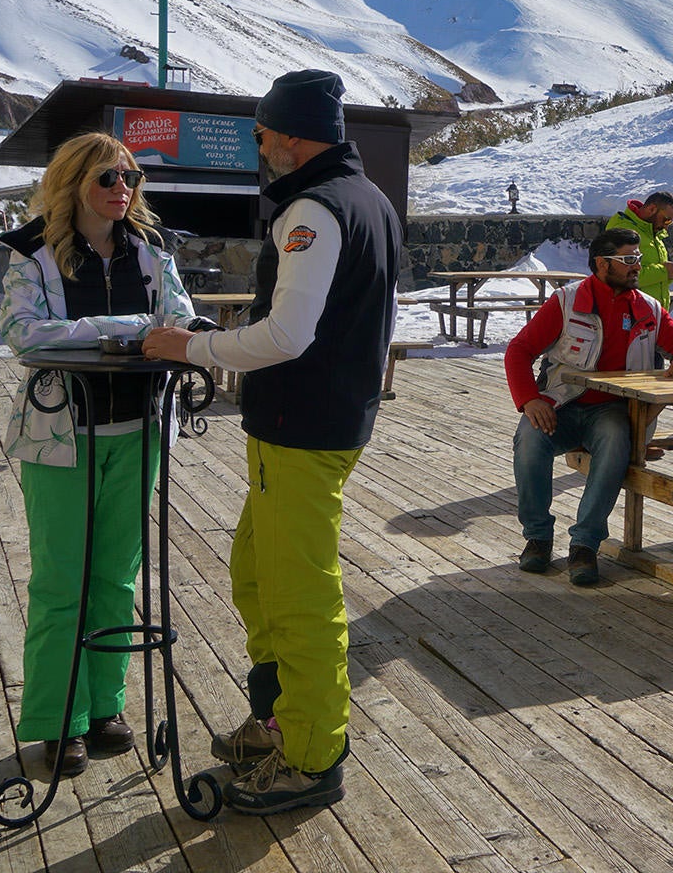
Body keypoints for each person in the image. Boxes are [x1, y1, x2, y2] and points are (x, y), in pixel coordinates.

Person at [144, 69, 403, 815]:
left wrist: (190, 348)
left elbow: (287, 335)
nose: (259, 148)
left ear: (291, 133)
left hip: (302, 426)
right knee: (257, 573)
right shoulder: (367, 199)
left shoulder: (314, 209)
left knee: (298, 596)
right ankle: (280, 717)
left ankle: (312, 756)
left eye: (261, 134)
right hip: (315, 422)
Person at [0, 131, 202, 779]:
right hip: (61, 440)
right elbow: (22, 334)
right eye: (108, 178)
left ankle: (105, 707)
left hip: (138, 432)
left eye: (130, 178)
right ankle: (59, 719)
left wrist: (167, 332)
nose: (122, 190)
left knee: (116, 577)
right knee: (62, 582)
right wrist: (121, 329)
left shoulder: (151, 252)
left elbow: (179, 319)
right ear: (73, 182)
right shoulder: (34, 255)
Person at [504, 226, 673, 585]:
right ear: (601, 263)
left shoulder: (648, 309)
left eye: (638, 258)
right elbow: (519, 350)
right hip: (560, 403)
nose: (637, 265)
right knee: (529, 443)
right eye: (628, 259)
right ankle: (537, 537)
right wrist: (529, 399)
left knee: (614, 444)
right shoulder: (566, 302)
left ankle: (585, 544)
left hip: (612, 410)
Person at [604, 190, 673, 310]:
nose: (666, 226)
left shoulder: (654, 234)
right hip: (629, 313)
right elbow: (622, 276)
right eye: (666, 219)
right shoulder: (623, 231)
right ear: (652, 209)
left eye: (670, 222)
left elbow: (654, 281)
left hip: (652, 313)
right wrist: (664, 271)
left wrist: (672, 273)